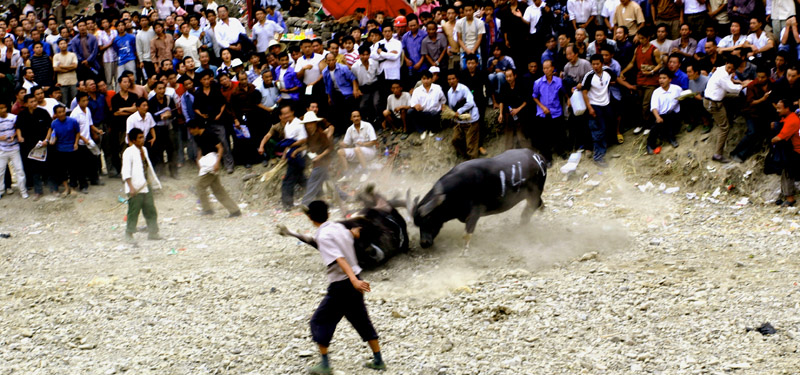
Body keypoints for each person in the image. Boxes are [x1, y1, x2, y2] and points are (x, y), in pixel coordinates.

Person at [303, 200, 385, 374]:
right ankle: (378, 360)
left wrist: (353, 280)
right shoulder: (339, 228)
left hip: (342, 285)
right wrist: (354, 234)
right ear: (328, 214)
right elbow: (349, 235)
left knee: (319, 321)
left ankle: (325, 365)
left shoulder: (322, 236)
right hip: (354, 282)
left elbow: (339, 259)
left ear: (310, 218)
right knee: (362, 320)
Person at [186, 119, 242, 217]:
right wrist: (199, 161)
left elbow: (220, 148)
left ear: (196, 127)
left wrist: (217, 163)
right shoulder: (197, 137)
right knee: (217, 190)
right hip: (205, 164)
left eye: (191, 129)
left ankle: (207, 209)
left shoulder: (209, 134)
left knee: (200, 186)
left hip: (211, 163)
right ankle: (234, 210)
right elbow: (200, 149)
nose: (190, 132)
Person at [703, 56, 750, 163]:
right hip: (713, 103)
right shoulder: (722, 75)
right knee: (724, 128)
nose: (730, 71)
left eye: (733, 69)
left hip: (717, 99)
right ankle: (718, 154)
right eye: (729, 68)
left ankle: (732, 115)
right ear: (726, 63)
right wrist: (743, 85)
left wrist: (739, 82)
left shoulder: (722, 69)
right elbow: (731, 88)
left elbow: (731, 80)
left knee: (737, 98)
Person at [121, 127, 162, 243]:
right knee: (134, 211)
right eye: (139, 138)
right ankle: (129, 234)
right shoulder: (128, 152)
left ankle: (153, 232)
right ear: (133, 140)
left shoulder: (144, 149)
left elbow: (146, 167)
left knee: (150, 209)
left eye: (143, 137)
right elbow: (126, 171)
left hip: (145, 185)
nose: (142, 139)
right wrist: (131, 188)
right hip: (134, 187)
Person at [731, 67, 774, 163]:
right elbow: (751, 102)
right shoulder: (752, 85)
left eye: (763, 77)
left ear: (767, 76)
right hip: (751, 113)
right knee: (752, 132)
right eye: (758, 77)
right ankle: (736, 152)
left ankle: (741, 155)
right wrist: (762, 99)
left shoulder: (773, 84)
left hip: (764, 114)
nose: (760, 79)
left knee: (759, 135)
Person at [46, 105, 89, 197]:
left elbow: (77, 133)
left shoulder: (72, 121)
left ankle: (73, 188)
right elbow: (54, 134)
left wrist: (76, 143)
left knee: (73, 169)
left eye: (63, 111)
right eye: (59, 112)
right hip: (60, 149)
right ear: (56, 114)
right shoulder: (54, 123)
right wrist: (52, 140)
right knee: (62, 170)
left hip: (71, 148)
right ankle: (66, 188)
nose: (62, 114)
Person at [581, 54, 616, 167]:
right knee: (597, 130)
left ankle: (603, 150)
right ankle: (597, 157)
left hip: (606, 104)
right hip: (595, 105)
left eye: (597, 64)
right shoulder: (589, 76)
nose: (595, 66)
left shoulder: (608, 72)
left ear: (602, 63)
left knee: (605, 128)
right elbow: (584, 92)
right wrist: (590, 108)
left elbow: (614, 80)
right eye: (593, 64)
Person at [532, 60, 567, 164]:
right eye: (544, 68)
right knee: (544, 136)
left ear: (552, 68)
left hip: (556, 111)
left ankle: (561, 152)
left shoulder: (559, 81)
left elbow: (564, 92)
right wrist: (542, 107)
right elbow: (534, 97)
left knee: (559, 134)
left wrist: (568, 99)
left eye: (548, 68)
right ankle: (547, 157)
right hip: (544, 112)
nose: (546, 70)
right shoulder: (538, 82)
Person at [298, 111, 336, 206]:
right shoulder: (310, 135)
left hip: (323, 162)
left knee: (312, 182)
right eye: (307, 124)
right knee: (329, 184)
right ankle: (345, 198)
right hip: (317, 161)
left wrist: (320, 156)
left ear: (315, 123)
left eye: (311, 123)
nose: (309, 126)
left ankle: (305, 203)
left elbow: (330, 148)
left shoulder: (321, 134)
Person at [772, 99, 800, 207]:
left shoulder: (792, 120)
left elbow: (779, 138)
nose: (777, 110)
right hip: (794, 150)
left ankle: (790, 198)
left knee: (788, 172)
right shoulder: (790, 118)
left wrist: (772, 140)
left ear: (787, 108)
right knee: (785, 172)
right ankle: (785, 195)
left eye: (779, 108)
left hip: (796, 151)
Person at [646, 69, 681, 154]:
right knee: (657, 125)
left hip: (674, 115)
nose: (661, 80)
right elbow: (654, 107)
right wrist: (658, 117)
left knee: (671, 117)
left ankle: (671, 138)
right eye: (660, 78)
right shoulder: (656, 92)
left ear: (670, 79)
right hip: (661, 116)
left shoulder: (677, 89)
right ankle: (650, 145)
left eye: (664, 78)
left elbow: (683, 97)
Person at [446, 72, 480, 159]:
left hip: (471, 119)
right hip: (459, 121)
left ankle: (473, 163)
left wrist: (459, 111)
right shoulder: (449, 92)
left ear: (457, 79)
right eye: (449, 79)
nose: (451, 81)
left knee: (471, 145)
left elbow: (470, 103)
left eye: (453, 78)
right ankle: (465, 158)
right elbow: (451, 107)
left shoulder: (464, 89)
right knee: (455, 140)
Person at [0, 101, 27, 200]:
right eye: (0, 108)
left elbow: (19, 128)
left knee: (19, 170)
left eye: (3, 108)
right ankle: (1, 190)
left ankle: (23, 190)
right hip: (2, 149)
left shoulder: (13, 117)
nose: (2, 110)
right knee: (0, 171)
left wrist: (14, 135)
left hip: (14, 148)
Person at [456, 2, 484, 69]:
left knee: (477, 70)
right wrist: (467, 50)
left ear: (473, 10)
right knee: (464, 70)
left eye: (470, 10)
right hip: (464, 50)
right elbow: (459, 39)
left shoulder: (479, 22)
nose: (468, 12)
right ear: (463, 11)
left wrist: (473, 50)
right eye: (466, 11)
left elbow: (479, 38)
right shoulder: (459, 22)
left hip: (476, 50)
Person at [53, 38, 78, 107]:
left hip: (73, 81)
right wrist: (69, 68)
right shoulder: (56, 56)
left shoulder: (72, 55)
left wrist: (62, 67)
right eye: (61, 44)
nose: (63, 45)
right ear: (58, 46)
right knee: (64, 103)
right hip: (62, 83)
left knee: (75, 101)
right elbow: (55, 69)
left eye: (64, 43)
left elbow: (75, 66)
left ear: (67, 44)